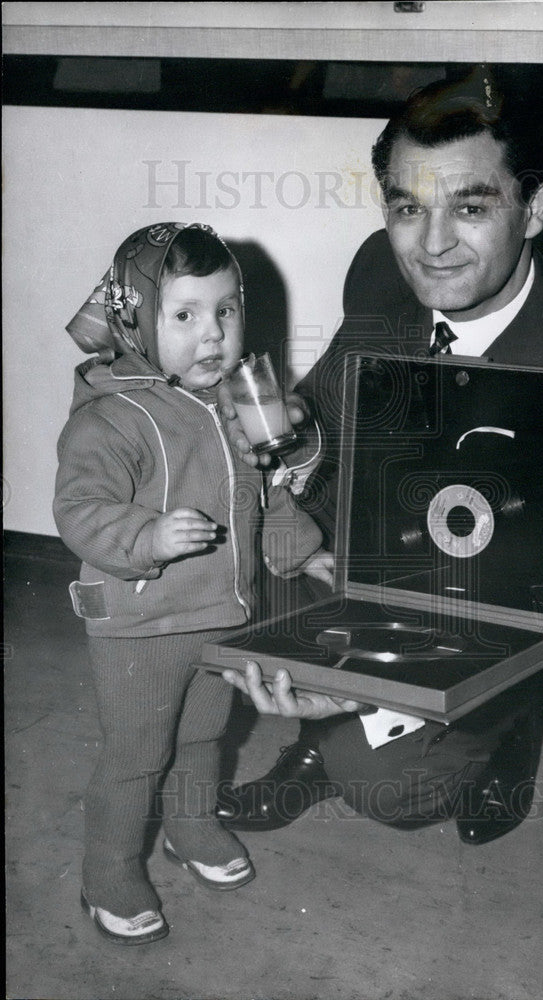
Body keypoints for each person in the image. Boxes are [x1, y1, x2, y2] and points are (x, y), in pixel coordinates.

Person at [216, 76, 543, 846]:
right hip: (386, 535)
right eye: (407, 207)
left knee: (386, 783)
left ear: (533, 208)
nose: (431, 246)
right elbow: (332, 424)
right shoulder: (379, 268)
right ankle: (323, 735)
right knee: (209, 582)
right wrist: (297, 443)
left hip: (510, 588)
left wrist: (358, 693)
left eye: (470, 206)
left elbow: (532, 628)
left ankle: (511, 730)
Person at [54, 222, 332, 945]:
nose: (212, 334)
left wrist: (302, 555)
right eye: (184, 315)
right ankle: (108, 872)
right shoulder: (112, 416)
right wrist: (146, 536)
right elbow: (80, 510)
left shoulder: (236, 405)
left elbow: (266, 498)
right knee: (137, 753)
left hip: (221, 617)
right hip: (142, 626)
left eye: (226, 311)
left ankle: (191, 830)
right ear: (137, 322)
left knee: (205, 736)